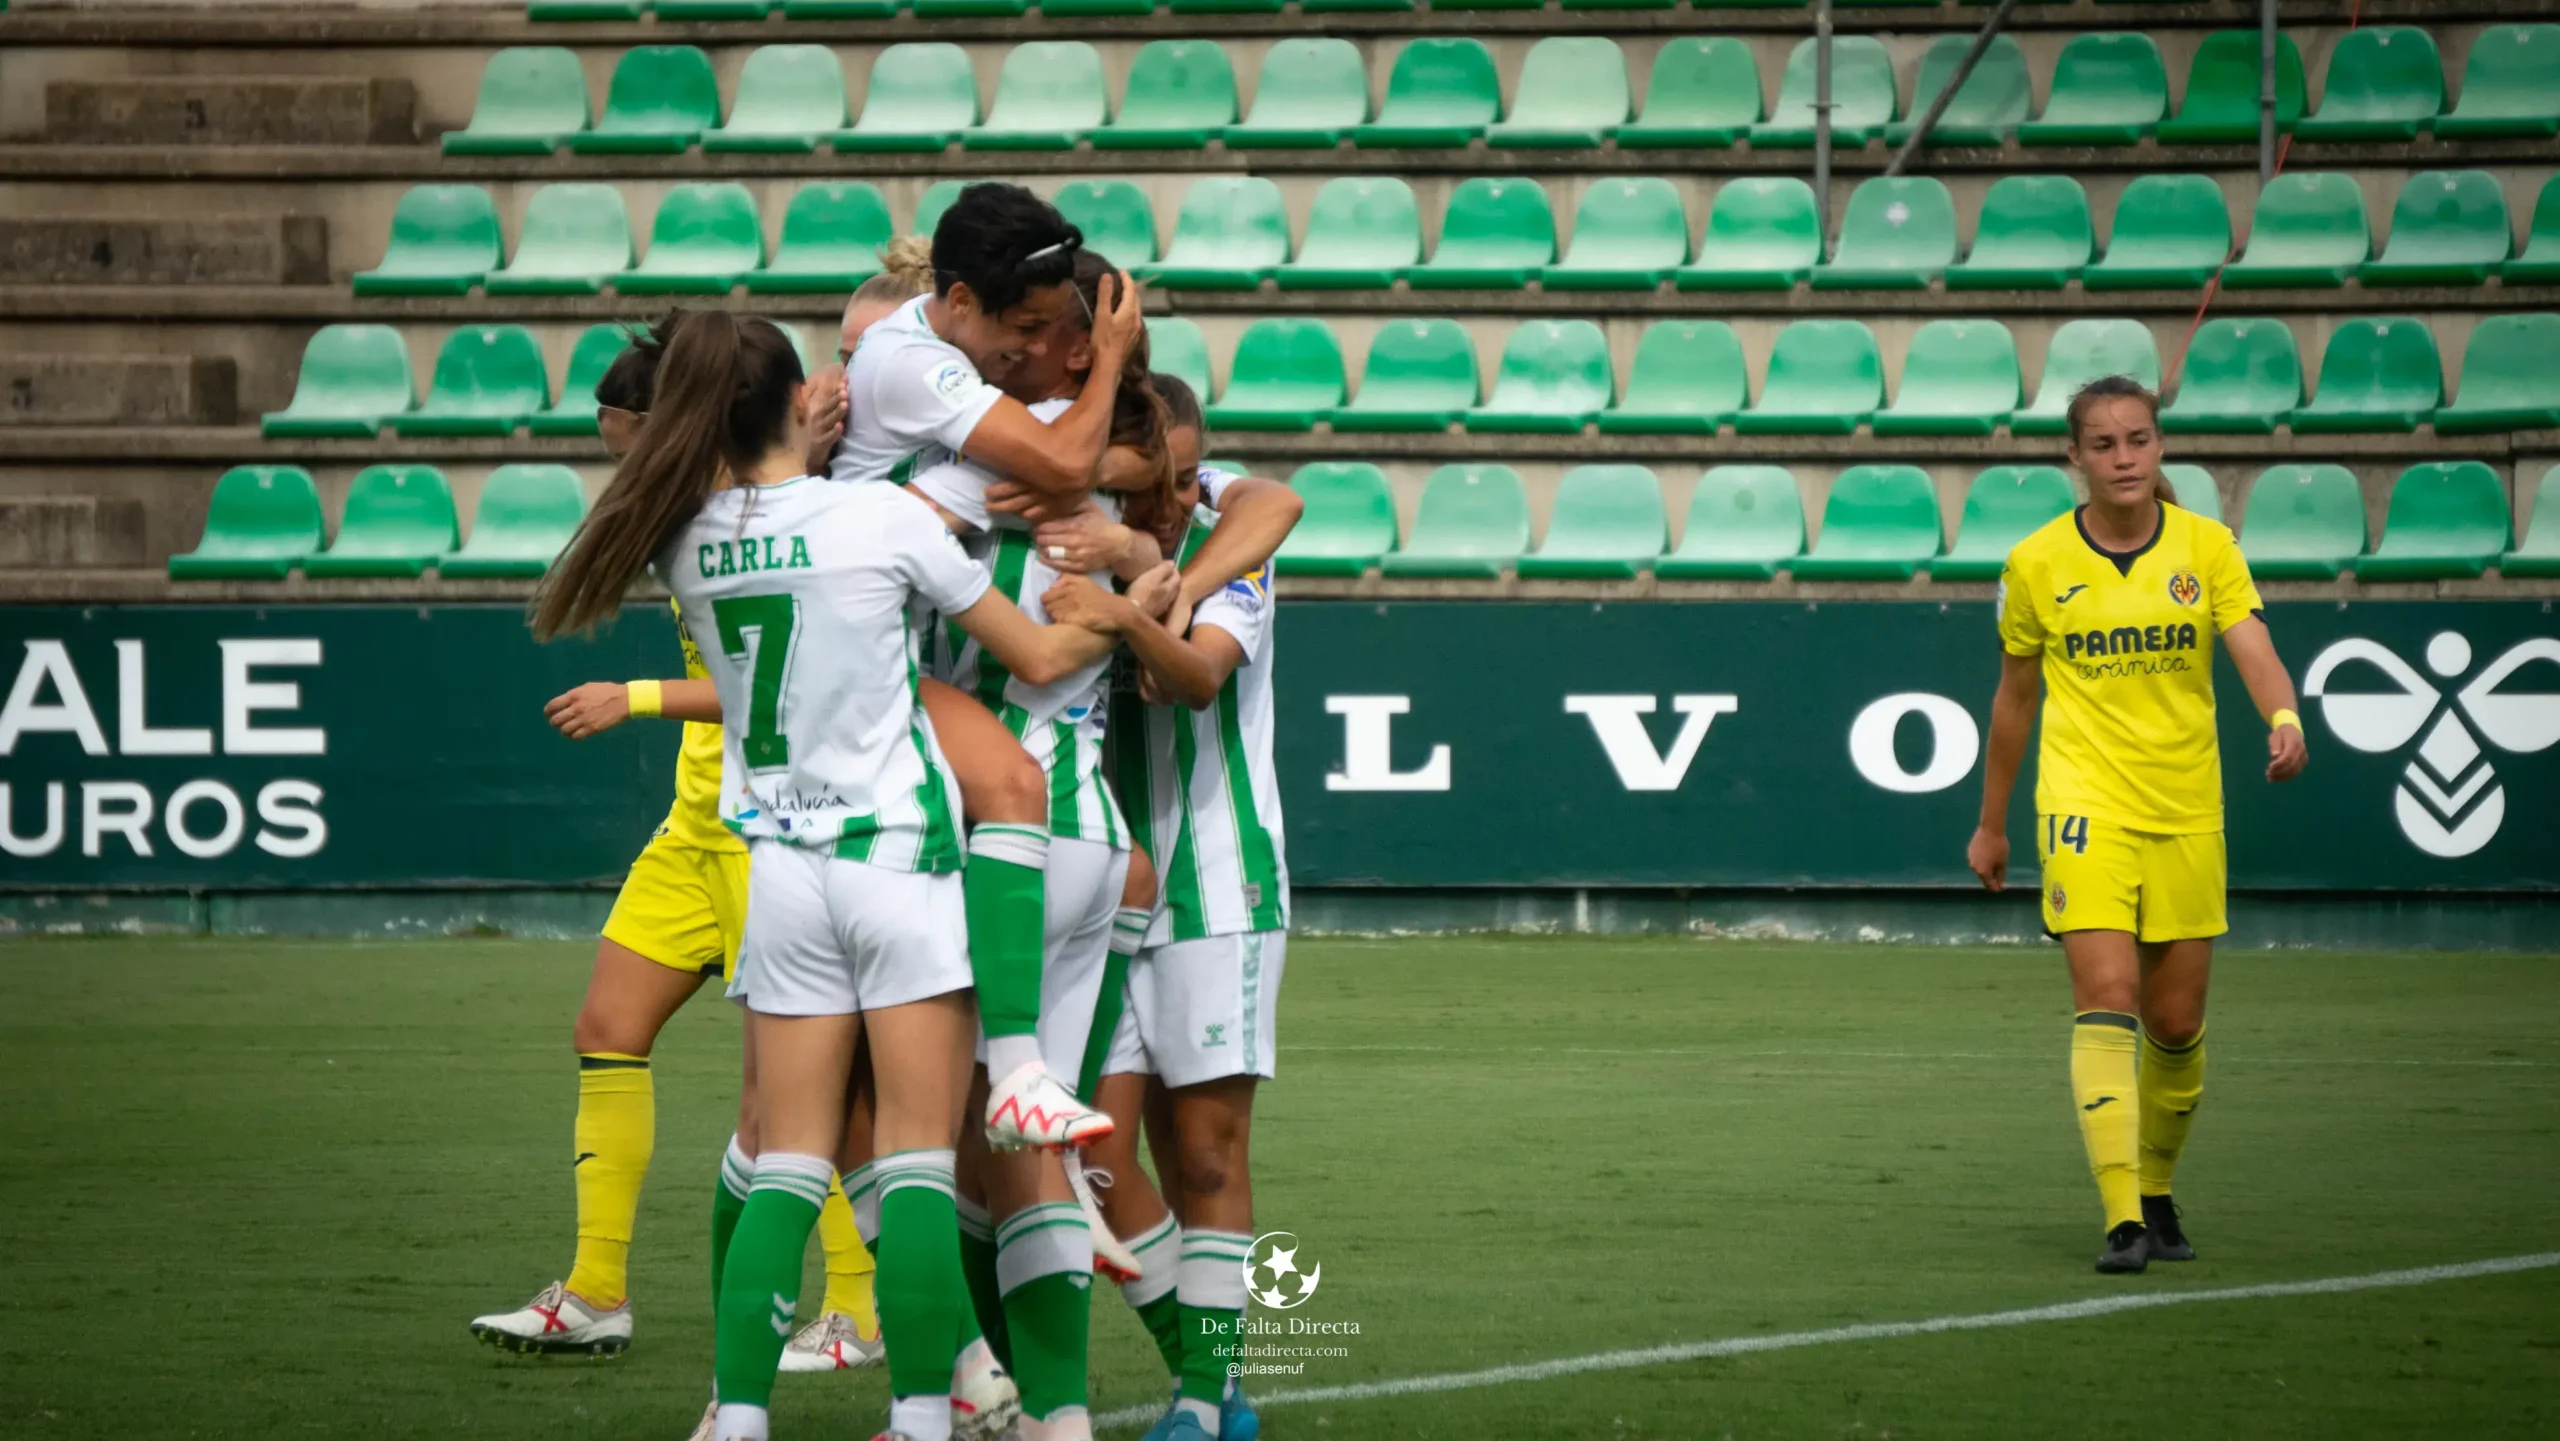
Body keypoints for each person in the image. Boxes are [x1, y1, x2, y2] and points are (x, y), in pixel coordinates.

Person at [528, 310, 1168, 1441]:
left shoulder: (679, 539)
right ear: (798, 404)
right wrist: (1126, 616)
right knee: (917, 1162)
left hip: (779, 872)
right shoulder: (876, 516)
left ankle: (735, 1419)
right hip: (895, 863)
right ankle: (928, 1413)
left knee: (785, 1162)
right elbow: (1025, 654)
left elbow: (764, 540)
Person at [469, 315, 876, 1363]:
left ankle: (858, 1309)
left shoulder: (755, 518)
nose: (625, 469)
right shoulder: (688, 510)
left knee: (789, 1090)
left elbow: (769, 679)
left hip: (763, 833)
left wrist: (635, 696)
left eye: (631, 445)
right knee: (605, 1024)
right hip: (694, 828)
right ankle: (597, 1288)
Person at [1966, 374, 2309, 1274]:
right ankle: (2123, 1217)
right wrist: (1992, 823)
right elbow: (2014, 699)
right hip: (2083, 804)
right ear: (2072, 458)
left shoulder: (2209, 546)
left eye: (2140, 440)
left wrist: (2286, 719)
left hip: (2186, 808)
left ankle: (2156, 1186)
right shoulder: (2036, 563)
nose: (2125, 458)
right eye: (2106, 445)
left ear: (2161, 447)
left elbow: (2255, 650)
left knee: (2176, 1021)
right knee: (2107, 993)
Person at [1045, 375, 1297, 1441]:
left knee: (1204, 1155)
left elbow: (1197, 680)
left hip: (1218, 880)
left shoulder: (1223, 554)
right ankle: (1214, 1387)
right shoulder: (1081, 538)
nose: (1177, 497)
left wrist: (1128, 608)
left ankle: (1200, 1401)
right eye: (1154, 483)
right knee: (1093, 1163)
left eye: (1193, 476)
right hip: (1103, 883)